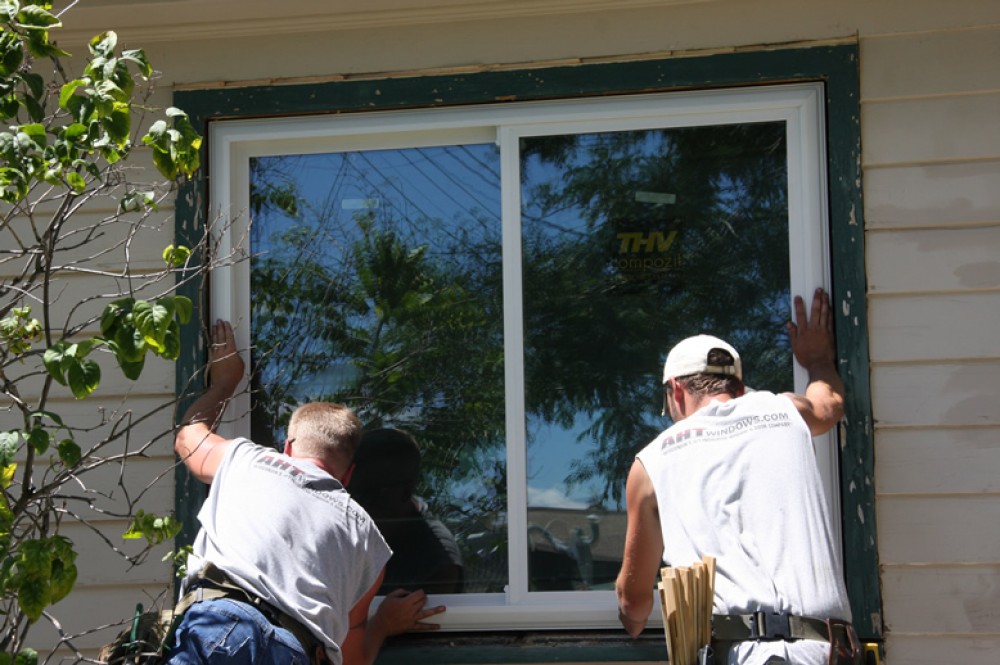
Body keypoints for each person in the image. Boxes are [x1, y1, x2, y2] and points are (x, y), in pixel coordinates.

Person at [169, 319, 446, 665]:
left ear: (287, 447)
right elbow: (353, 657)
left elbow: (188, 438)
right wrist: (382, 625)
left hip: (222, 627)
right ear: (349, 475)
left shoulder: (246, 459)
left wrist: (226, 381)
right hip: (293, 650)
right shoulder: (367, 539)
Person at [615, 289, 861, 665]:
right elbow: (829, 404)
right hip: (827, 650)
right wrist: (818, 361)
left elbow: (635, 602)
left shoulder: (651, 462)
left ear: (676, 391)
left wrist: (629, 619)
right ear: (740, 389)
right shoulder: (784, 410)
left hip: (739, 655)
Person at [347, 428, 464, 595]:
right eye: (347, 490)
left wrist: (383, 621)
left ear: (405, 492)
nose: (353, 504)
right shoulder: (353, 532)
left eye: (366, 494)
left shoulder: (437, 563)